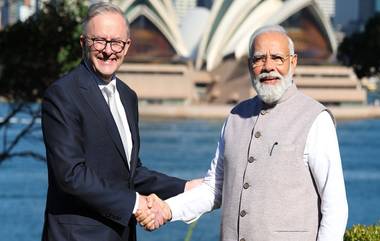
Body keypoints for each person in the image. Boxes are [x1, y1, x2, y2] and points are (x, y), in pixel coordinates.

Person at [136, 25, 349, 241]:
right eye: (259, 59)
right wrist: (167, 209)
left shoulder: (316, 119)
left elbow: (335, 206)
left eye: (277, 58)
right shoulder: (236, 117)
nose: (268, 67)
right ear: (249, 66)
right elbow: (214, 188)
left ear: (293, 62)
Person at [41, 2, 199, 241]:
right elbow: (71, 175)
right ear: (84, 43)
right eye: (99, 41)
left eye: (116, 42)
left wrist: (185, 188)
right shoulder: (63, 94)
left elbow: (130, 173)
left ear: (127, 47)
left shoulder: (127, 96)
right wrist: (137, 204)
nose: (108, 50)